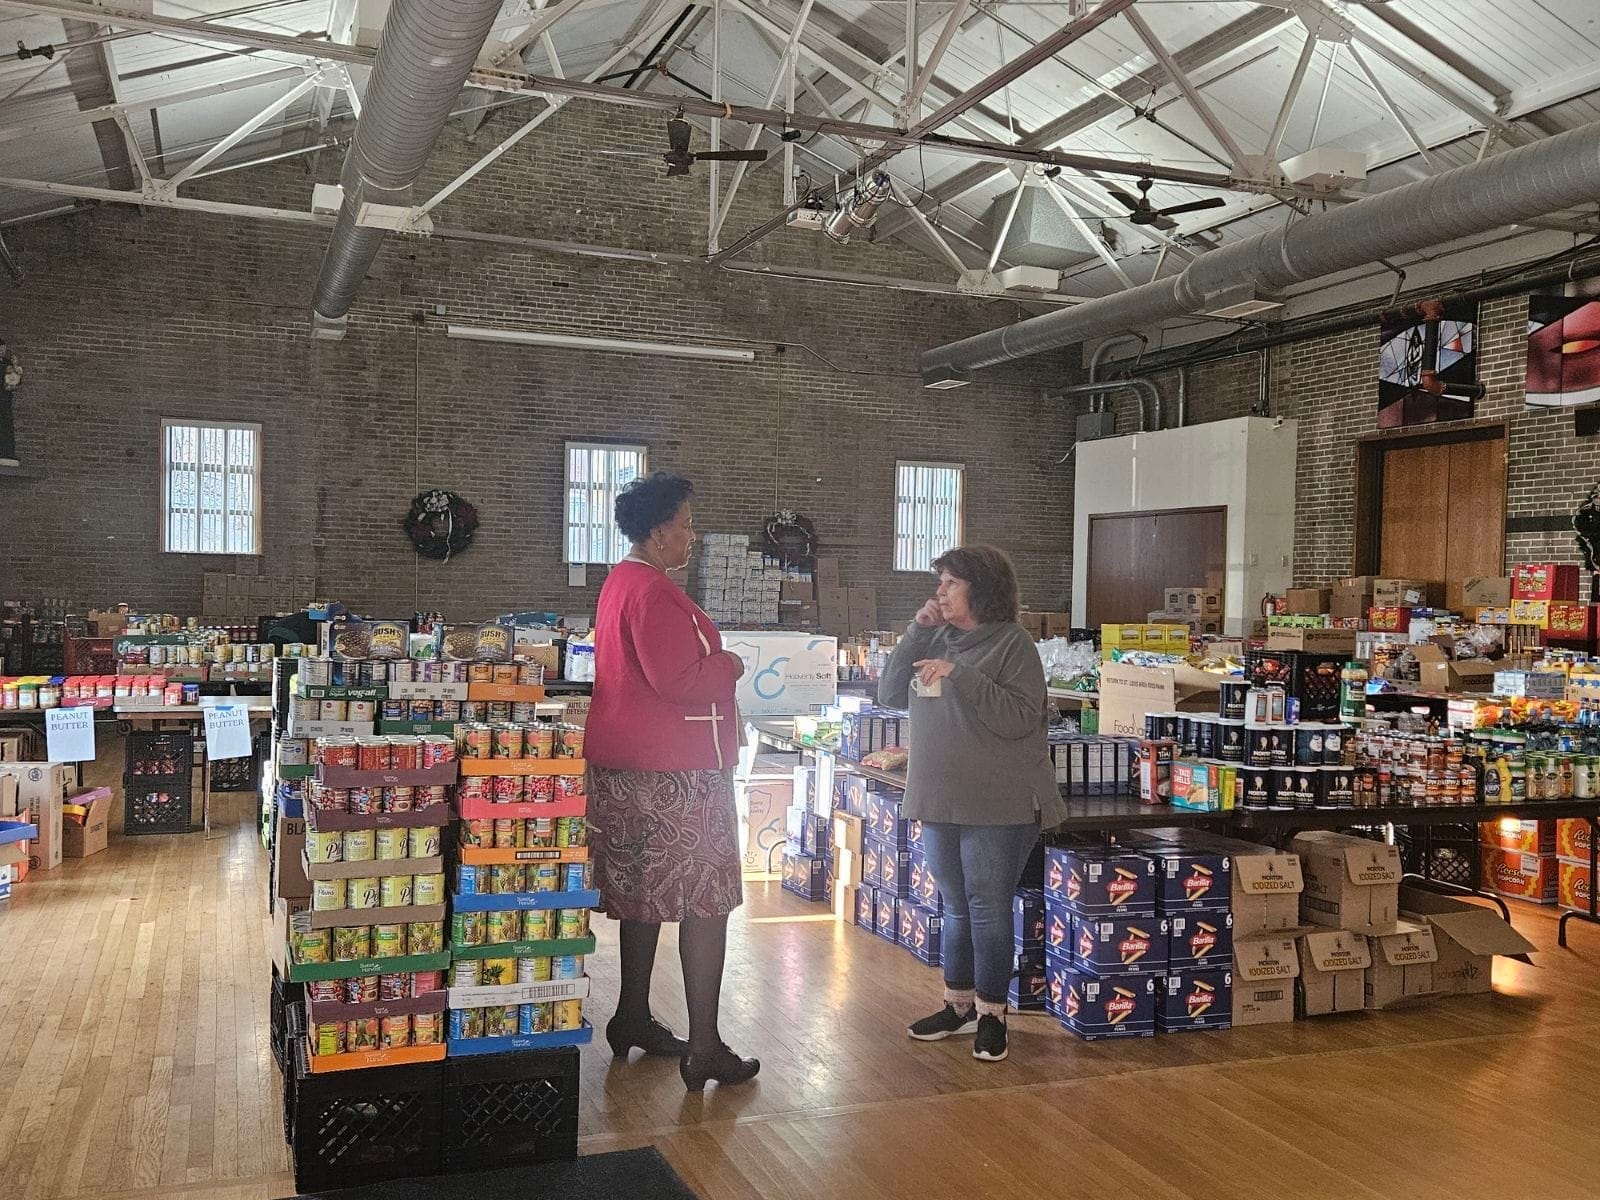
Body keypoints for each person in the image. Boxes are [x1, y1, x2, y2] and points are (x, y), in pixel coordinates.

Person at [584, 472, 761, 1092]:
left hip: (628, 766)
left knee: (646, 895)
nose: (692, 535)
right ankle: (705, 1047)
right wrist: (731, 663)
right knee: (707, 901)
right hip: (676, 774)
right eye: (686, 525)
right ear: (659, 532)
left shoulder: (621, 581)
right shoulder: (654, 592)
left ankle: (632, 1015)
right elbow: (681, 681)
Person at [878, 545, 1066, 1063]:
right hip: (939, 796)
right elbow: (889, 693)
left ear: (981, 590)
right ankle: (958, 1005)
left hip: (998, 802)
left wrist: (960, 674)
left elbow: (1020, 717)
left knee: (987, 908)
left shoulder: (1013, 643)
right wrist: (916, 631)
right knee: (956, 906)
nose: (939, 592)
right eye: (939, 582)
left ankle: (992, 1014)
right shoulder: (934, 635)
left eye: (951, 583)